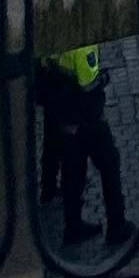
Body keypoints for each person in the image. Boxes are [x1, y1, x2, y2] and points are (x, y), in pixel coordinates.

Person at [34, 39, 126, 248]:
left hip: (63, 115)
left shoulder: (54, 35)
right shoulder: (84, 45)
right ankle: (117, 225)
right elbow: (88, 84)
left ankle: (73, 226)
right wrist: (103, 79)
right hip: (86, 117)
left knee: (72, 170)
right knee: (110, 164)